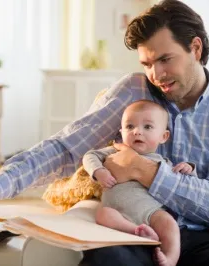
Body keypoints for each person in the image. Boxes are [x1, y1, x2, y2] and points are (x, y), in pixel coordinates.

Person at [0, 0, 209, 265]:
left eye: (164, 59)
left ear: (196, 49)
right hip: (131, 232)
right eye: (146, 63)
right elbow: (66, 149)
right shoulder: (132, 92)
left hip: (203, 238)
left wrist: (143, 169)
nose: (156, 74)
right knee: (107, 259)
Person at [83, 100, 196, 266]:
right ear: (121, 132)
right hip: (117, 212)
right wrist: (99, 172)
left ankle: (170, 259)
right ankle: (136, 231)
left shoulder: (162, 162)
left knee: (170, 224)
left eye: (148, 127)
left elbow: (182, 184)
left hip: (151, 212)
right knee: (102, 214)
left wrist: (189, 169)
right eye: (129, 127)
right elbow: (90, 156)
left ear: (163, 136)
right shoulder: (115, 151)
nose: (137, 132)